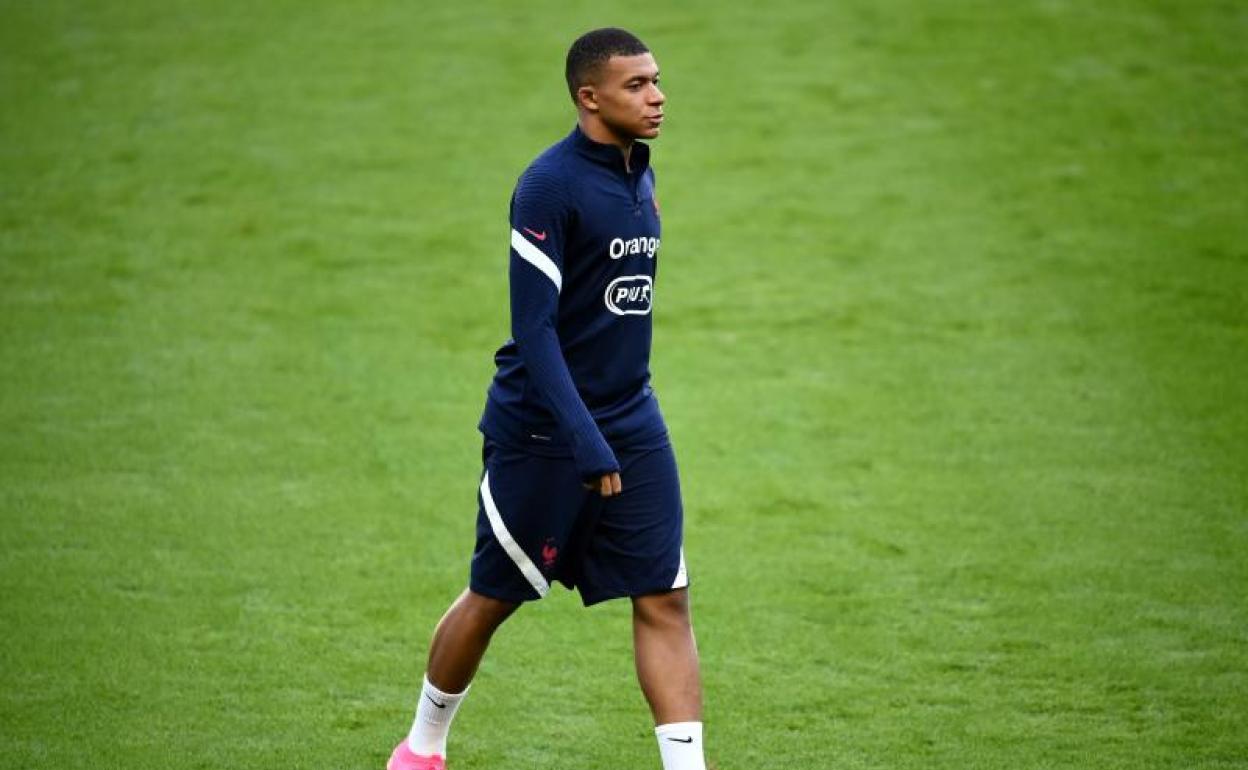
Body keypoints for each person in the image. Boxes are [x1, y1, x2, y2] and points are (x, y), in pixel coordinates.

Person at [387, 27, 706, 770]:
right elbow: (534, 329)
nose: (657, 97)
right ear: (588, 97)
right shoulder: (549, 186)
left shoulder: (639, 173)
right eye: (636, 86)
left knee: (664, 594)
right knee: (494, 595)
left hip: (632, 416)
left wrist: (613, 429)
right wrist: (584, 439)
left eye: (657, 80)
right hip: (543, 430)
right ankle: (421, 749)